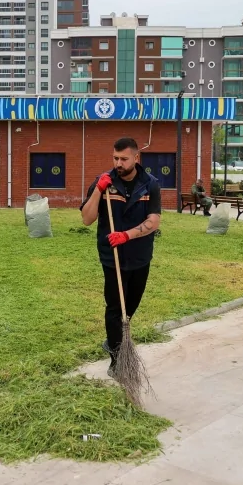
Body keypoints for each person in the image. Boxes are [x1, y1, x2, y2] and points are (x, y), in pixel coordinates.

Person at [80, 137, 162, 378]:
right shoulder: (104, 182)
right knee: (115, 308)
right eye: (115, 158)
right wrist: (98, 190)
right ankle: (117, 359)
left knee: (130, 306)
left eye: (124, 159)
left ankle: (112, 338)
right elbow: (86, 219)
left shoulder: (150, 184)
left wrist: (127, 235)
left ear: (136, 158)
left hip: (140, 255)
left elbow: (154, 220)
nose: (118, 163)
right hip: (112, 257)